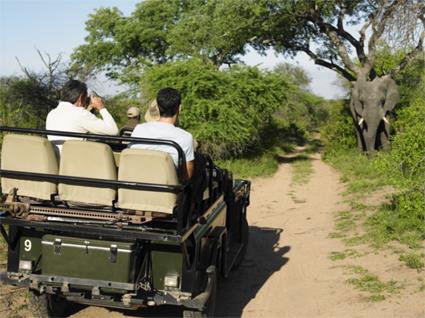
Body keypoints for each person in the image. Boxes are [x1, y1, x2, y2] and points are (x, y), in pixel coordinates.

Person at [130, 88, 194, 180]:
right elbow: (187, 175)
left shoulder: (138, 129)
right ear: (179, 108)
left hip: (135, 187)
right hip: (167, 191)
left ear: (157, 107)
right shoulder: (185, 137)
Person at [46, 80, 119, 153]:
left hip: (56, 161)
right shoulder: (81, 114)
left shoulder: (52, 113)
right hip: (75, 161)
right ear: (81, 98)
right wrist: (101, 107)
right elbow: (113, 131)